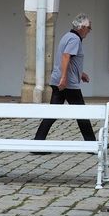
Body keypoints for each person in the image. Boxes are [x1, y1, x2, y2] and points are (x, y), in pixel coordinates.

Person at [33, 14, 96, 144]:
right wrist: (64, 78)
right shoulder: (74, 39)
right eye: (89, 28)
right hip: (68, 84)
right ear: (82, 27)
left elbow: (69, 60)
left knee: (53, 113)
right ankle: (92, 144)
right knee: (82, 113)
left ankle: (37, 142)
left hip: (59, 81)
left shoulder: (67, 36)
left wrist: (80, 73)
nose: (89, 31)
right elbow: (66, 57)